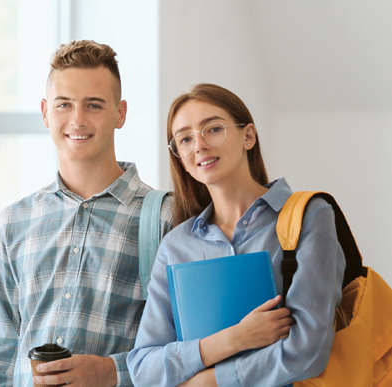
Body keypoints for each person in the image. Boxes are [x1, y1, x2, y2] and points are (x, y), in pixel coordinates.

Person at [0, 40, 175, 387]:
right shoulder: (14, 222)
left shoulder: (166, 217)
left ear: (120, 113)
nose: (77, 119)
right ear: (46, 112)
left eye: (94, 105)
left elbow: (186, 349)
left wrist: (112, 372)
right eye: (64, 104)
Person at [126, 83, 342, 386]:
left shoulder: (310, 215)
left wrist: (207, 382)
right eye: (185, 139)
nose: (199, 145)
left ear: (248, 136)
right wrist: (234, 339)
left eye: (212, 129)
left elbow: (309, 349)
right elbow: (143, 369)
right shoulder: (176, 245)